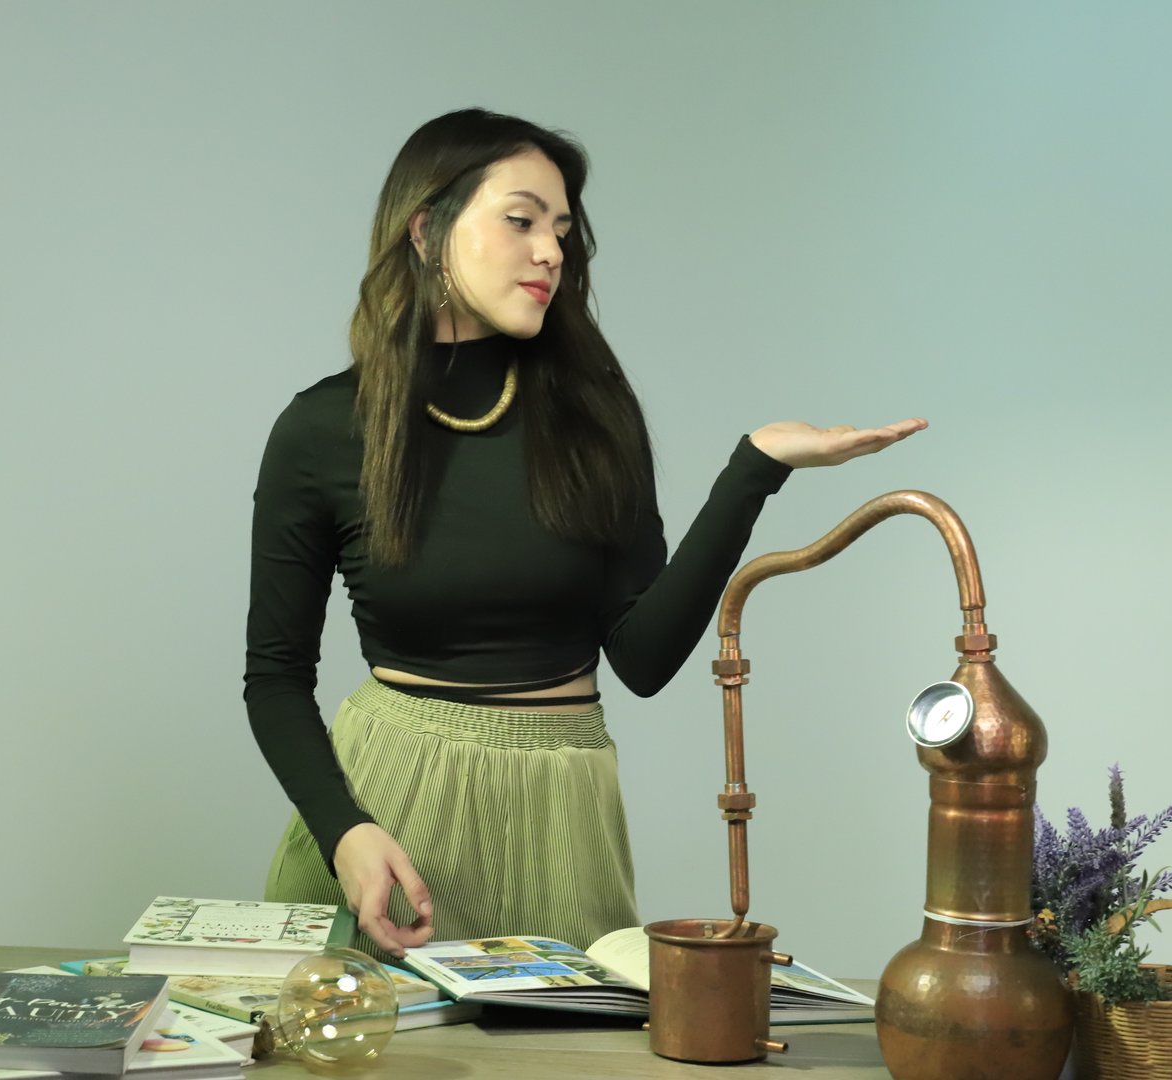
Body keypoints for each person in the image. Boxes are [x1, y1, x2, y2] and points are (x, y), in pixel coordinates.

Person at [244, 108, 924, 960]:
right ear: (427, 230)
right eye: (521, 219)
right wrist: (344, 833)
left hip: (561, 810)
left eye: (561, 229)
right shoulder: (322, 430)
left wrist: (754, 467)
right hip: (382, 818)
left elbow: (640, 660)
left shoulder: (592, 416)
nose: (552, 251)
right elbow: (272, 677)